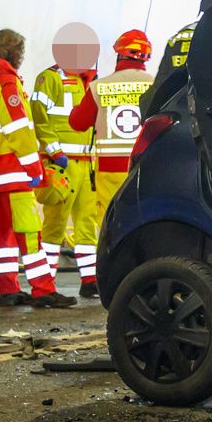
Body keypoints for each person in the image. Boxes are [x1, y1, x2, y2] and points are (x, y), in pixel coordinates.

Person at [0, 30, 68, 308]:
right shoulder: (7, 83)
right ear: (13, 52)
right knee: (30, 233)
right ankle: (43, 289)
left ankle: (8, 290)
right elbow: (18, 130)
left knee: (3, 237)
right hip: (14, 173)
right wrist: (34, 167)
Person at [70, 28, 155, 280]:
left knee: (111, 224)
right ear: (145, 56)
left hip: (110, 170)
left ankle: (113, 276)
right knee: (146, 220)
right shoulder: (154, 83)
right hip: (145, 166)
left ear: (118, 53)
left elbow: (77, 122)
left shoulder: (99, 87)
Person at [29, 26, 102, 299]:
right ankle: (46, 283)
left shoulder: (91, 82)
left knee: (86, 225)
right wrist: (53, 149)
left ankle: (90, 280)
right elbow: (39, 116)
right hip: (61, 164)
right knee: (55, 225)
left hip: (86, 165)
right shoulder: (49, 78)